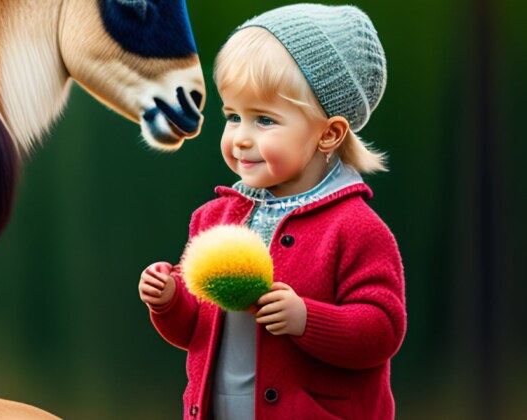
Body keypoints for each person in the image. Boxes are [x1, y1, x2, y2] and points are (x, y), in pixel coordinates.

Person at [138, 4, 406, 419]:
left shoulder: (355, 228)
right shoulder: (215, 218)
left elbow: (382, 331)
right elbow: (195, 332)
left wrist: (306, 319)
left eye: (264, 120)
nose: (241, 138)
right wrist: (170, 300)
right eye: (232, 116)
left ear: (329, 134)